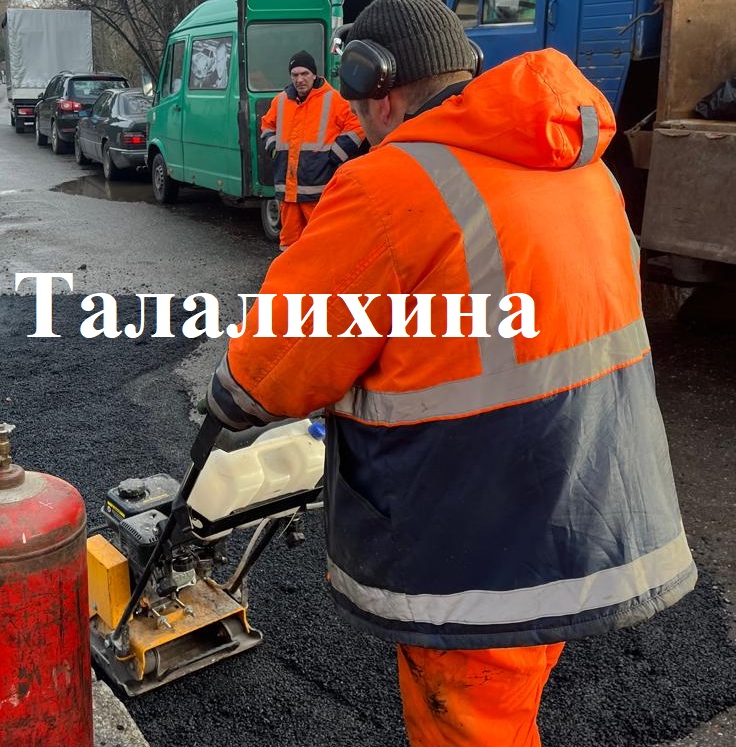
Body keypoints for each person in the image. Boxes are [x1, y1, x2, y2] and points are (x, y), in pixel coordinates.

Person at [207, 1, 697, 744]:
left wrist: (230, 397)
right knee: (511, 705)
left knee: (470, 726)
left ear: (378, 87)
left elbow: (279, 361)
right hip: (591, 500)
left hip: (484, 529)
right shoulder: (576, 161)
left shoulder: (391, 185)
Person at [260, 50, 363, 251]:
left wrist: (335, 155)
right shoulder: (281, 100)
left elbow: (357, 124)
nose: (299, 79)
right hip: (288, 193)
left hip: (317, 189)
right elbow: (267, 125)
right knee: (289, 245)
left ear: (314, 74)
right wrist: (274, 149)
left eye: (304, 73)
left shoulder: (333, 99)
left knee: (320, 243)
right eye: (295, 75)